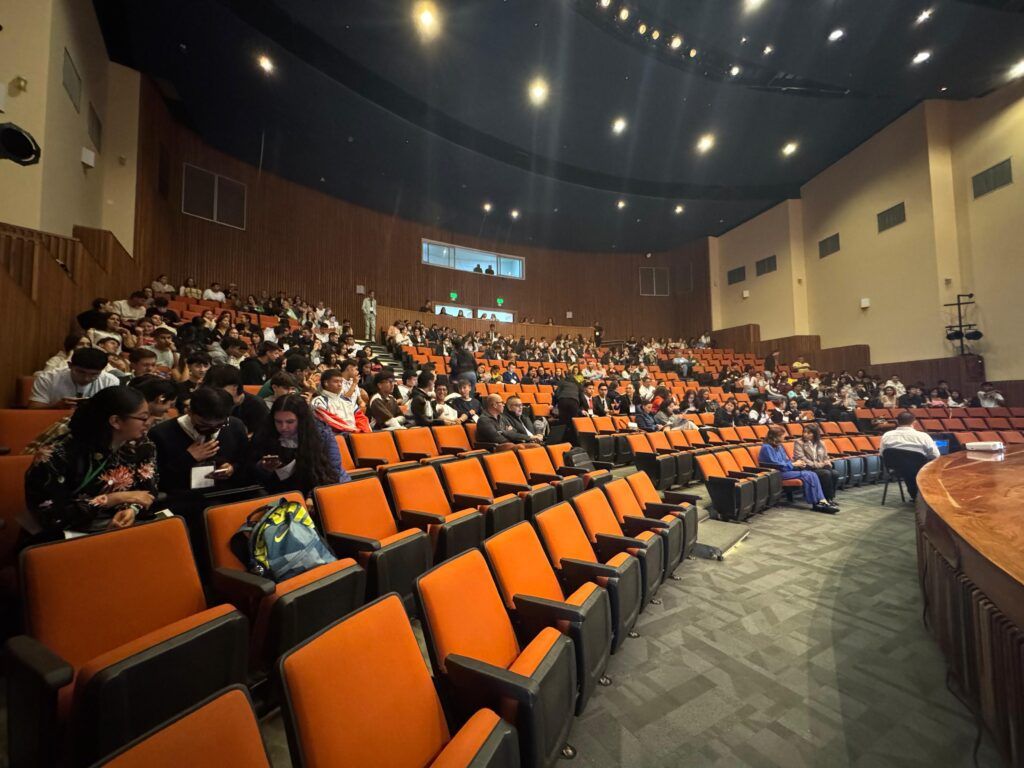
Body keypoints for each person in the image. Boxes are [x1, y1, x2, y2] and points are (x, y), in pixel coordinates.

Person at [24, 386, 158, 538]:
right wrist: (112, 499)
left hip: (119, 526)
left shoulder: (141, 445)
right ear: (116, 421)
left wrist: (131, 509)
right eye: (143, 418)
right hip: (66, 533)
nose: (149, 423)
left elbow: (147, 491)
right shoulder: (58, 454)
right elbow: (50, 515)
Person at [148, 386, 248, 506]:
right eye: (203, 425)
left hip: (226, 494)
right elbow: (157, 480)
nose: (211, 430)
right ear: (189, 411)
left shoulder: (234, 426)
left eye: (219, 425)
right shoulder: (161, 434)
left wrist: (232, 468)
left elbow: (245, 461)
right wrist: (188, 458)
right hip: (182, 499)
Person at [247, 395, 348, 495]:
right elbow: (252, 471)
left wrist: (313, 496)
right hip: (281, 492)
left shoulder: (321, 433)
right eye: (278, 421)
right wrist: (264, 468)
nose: (283, 427)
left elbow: (333, 471)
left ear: (301, 420)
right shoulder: (265, 433)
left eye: (290, 422)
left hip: (320, 487)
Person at [758, 426, 838, 513]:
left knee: (812, 474)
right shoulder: (766, 447)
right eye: (782, 435)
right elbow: (775, 464)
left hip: (786, 470)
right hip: (776, 473)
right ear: (775, 436)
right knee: (808, 474)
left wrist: (798, 463)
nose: (784, 437)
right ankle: (817, 503)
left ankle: (822, 501)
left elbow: (785, 460)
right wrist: (793, 464)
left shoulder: (779, 446)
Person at [29, 347, 120, 409]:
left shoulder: (111, 381)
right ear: (70, 365)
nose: (86, 378)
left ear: (102, 370)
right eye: (81, 372)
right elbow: (33, 410)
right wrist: (56, 407)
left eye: (94, 374)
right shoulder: (48, 378)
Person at [879, 412, 940, 500]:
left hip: (897, 469)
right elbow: (936, 455)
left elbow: (882, 453)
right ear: (914, 422)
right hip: (919, 469)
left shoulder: (887, 435)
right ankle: (926, 496)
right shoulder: (923, 436)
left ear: (897, 421)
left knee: (908, 468)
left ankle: (915, 496)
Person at [203, 364, 271, 435]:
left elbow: (264, 434)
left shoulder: (256, 405)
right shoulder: (211, 401)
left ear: (235, 386)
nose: (214, 393)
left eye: (218, 389)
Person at [792, 423, 840, 504]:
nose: (805, 434)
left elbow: (825, 456)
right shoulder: (799, 442)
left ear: (815, 434)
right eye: (804, 432)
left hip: (819, 466)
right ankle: (825, 500)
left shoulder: (821, 443)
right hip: (806, 467)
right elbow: (801, 458)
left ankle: (830, 498)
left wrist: (827, 462)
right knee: (826, 473)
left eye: (809, 433)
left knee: (835, 473)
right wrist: (819, 465)